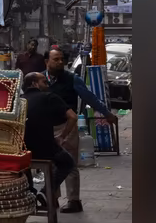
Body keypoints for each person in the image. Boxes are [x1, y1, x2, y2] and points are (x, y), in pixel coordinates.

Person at [45, 48, 118, 213]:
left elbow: (89, 97)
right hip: (47, 126)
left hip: (67, 126)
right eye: (56, 59)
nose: (60, 62)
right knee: (49, 163)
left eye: (62, 59)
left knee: (70, 162)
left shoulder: (72, 79)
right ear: (46, 62)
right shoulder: (41, 79)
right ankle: (52, 198)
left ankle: (74, 200)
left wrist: (106, 114)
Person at [21, 72, 77, 208]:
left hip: (22, 151)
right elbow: (73, 117)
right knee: (68, 162)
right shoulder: (49, 97)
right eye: (44, 82)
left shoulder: (19, 101)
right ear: (34, 84)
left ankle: (31, 194)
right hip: (45, 150)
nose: (48, 85)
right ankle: (46, 192)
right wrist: (62, 137)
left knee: (24, 166)